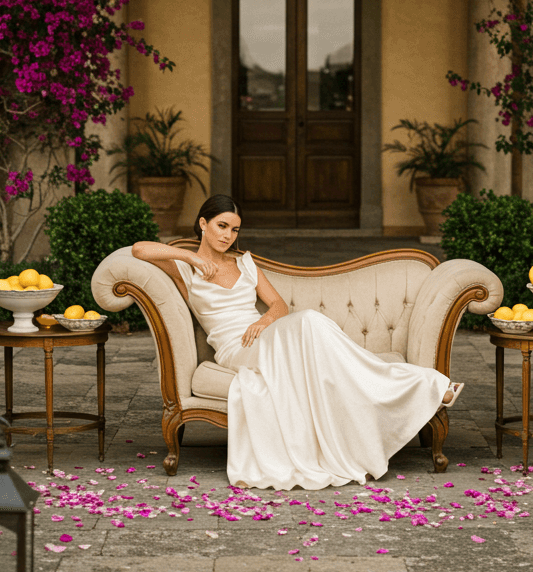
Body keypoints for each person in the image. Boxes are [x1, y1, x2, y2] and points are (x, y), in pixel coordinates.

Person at [132, 193, 464, 491]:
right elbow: (139, 250)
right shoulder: (185, 268)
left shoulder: (245, 263)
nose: (227, 236)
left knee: (309, 323)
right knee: (309, 322)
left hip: (262, 335)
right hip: (236, 349)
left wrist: (263, 320)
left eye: (234, 229)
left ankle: (417, 386)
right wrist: (190, 257)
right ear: (203, 223)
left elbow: (278, 306)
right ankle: (424, 386)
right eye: (221, 226)